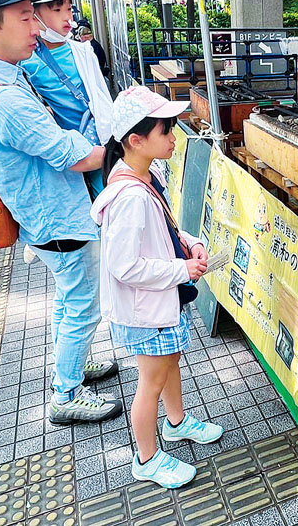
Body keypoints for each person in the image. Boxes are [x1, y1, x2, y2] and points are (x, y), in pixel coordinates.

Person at [0, 0, 123, 424]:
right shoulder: (3, 98)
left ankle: (73, 364)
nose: (37, 27)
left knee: (70, 297)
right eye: (26, 17)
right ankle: (66, 394)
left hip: (43, 212)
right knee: (83, 302)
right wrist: (126, 148)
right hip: (57, 215)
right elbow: (75, 156)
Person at [91, 86, 224, 488]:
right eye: (165, 130)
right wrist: (182, 269)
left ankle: (177, 422)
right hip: (145, 310)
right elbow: (124, 266)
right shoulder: (130, 196)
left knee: (170, 363)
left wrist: (189, 243)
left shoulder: (146, 174)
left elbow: (163, 229)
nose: (173, 136)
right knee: (150, 383)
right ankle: (146, 459)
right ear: (136, 140)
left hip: (161, 301)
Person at [0, 0, 113, 198]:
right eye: (26, 18)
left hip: (96, 139)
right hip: (72, 163)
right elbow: (71, 156)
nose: (67, 17)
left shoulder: (79, 50)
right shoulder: (11, 83)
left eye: (69, 9)